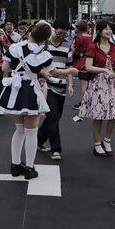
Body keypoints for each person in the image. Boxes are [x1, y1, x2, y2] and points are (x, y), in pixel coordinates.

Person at [0, 22, 78, 179]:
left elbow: (5, 69)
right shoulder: (43, 54)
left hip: (15, 90)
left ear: (32, 30)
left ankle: (15, 165)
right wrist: (71, 71)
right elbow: (53, 72)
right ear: (46, 38)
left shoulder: (15, 47)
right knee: (31, 132)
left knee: (19, 130)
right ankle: (29, 168)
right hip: (30, 91)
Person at [78, 21, 115, 157]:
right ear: (99, 31)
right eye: (105, 29)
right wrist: (104, 70)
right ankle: (97, 144)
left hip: (112, 84)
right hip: (98, 84)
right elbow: (88, 67)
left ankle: (107, 141)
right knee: (99, 115)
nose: (109, 31)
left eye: (110, 29)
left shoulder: (114, 48)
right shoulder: (93, 47)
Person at [37, 19, 77, 160]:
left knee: (54, 118)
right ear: (53, 29)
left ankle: (39, 139)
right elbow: (37, 64)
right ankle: (56, 149)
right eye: (60, 33)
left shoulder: (67, 45)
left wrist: (70, 85)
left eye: (64, 34)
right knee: (53, 116)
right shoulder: (44, 44)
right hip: (46, 85)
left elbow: (69, 67)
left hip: (61, 85)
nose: (61, 36)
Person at [72, 20, 92, 109]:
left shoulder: (80, 38)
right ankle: (88, 101)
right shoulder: (90, 38)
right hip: (89, 61)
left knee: (83, 84)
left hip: (81, 60)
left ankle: (84, 103)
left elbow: (76, 50)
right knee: (88, 84)